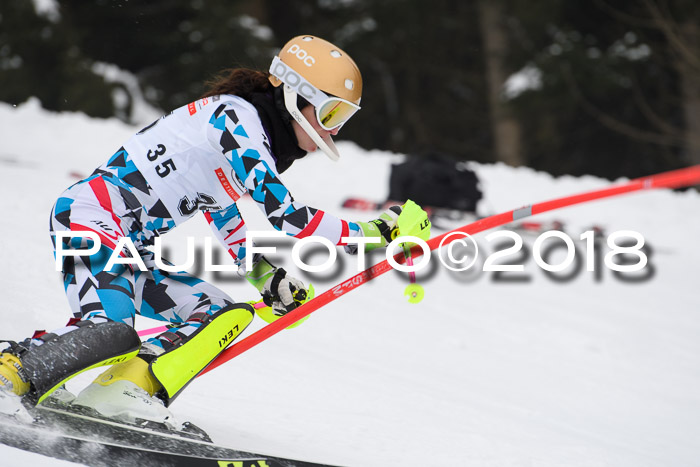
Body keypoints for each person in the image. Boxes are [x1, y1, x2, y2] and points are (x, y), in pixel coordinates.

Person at [0, 35, 428, 424]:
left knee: (218, 313)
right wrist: (377, 232)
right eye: (331, 112)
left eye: (344, 118)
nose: (332, 130)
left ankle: (122, 389)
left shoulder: (251, 131)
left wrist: (265, 277)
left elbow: (221, 209)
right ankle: (13, 371)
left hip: (130, 245)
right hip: (90, 217)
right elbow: (288, 216)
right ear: (295, 95)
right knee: (110, 329)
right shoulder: (236, 120)